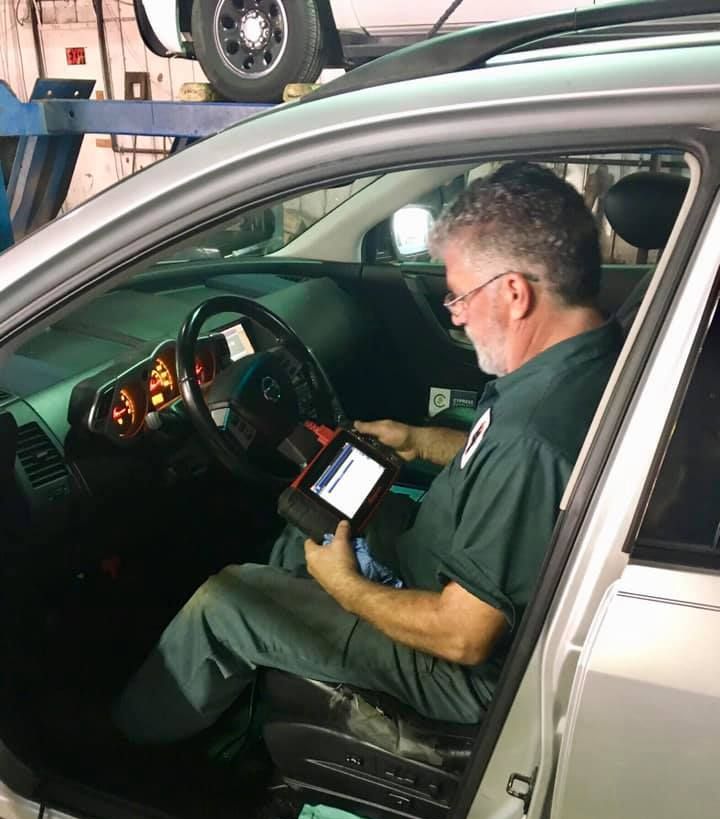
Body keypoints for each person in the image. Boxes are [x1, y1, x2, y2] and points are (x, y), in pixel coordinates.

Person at [113, 161, 622, 744]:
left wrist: (345, 588)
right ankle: (255, 705)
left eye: (458, 298)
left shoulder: (534, 435)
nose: (455, 317)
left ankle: (122, 755)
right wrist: (418, 440)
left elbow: (465, 635)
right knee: (306, 528)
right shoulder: (584, 361)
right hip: (441, 560)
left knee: (222, 602)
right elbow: (511, 463)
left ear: (514, 293)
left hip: (462, 668)